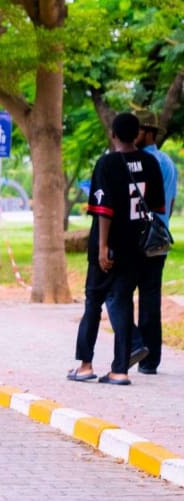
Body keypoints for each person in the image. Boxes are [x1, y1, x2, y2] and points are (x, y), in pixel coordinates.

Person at [70, 112, 165, 385]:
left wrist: (102, 247)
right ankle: (120, 370)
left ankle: (85, 365)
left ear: (113, 134)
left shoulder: (107, 163)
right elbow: (158, 207)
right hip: (135, 248)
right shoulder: (150, 163)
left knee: (93, 301)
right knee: (123, 303)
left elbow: (104, 210)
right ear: (137, 135)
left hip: (108, 247)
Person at [131, 109, 177, 375]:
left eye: (137, 130)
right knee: (151, 297)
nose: (132, 135)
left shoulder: (143, 162)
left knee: (121, 293)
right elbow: (170, 203)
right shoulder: (168, 162)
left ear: (148, 132)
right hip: (160, 236)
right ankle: (150, 361)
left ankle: (138, 346)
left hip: (141, 236)